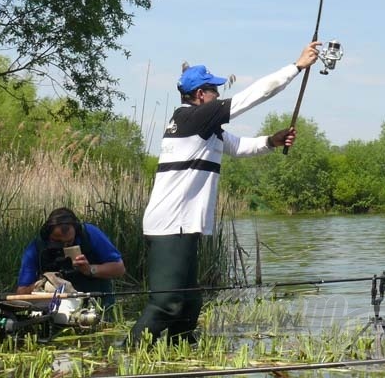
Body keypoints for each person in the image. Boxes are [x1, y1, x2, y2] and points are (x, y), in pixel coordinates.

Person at [129, 41, 321, 345]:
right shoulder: (192, 118)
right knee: (167, 303)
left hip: (184, 225)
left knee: (190, 302)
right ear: (200, 95)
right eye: (214, 90)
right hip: (169, 224)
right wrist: (296, 67)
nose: (219, 95)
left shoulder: (204, 128)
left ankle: (183, 353)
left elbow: (240, 147)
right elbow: (254, 95)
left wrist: (273, 140)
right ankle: (126, 355)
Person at [16, 207, 125, 307]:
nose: (64, 246)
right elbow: (21, 292)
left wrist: (90, 269)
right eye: (57, 241)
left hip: (97, 305)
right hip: (56, 309)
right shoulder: (36, 248)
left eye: (69, 242)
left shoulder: (90, 235)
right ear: (47, 235)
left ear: (76, 232)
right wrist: (41, 284)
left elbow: (119, 268)